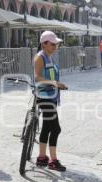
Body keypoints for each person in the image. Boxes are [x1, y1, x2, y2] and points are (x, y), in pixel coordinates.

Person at [34, 31, 68, 171]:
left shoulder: (49, 57)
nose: (55, 46)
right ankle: (53, 161)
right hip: (44, 97)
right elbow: (37, 77)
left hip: (50, 97)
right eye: (53, 44)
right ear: (44, 44)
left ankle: (42, 157)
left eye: (56, 44)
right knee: (56, 128)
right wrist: (54, 83)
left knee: (47, 127)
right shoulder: (40, 57)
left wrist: (58, 84)